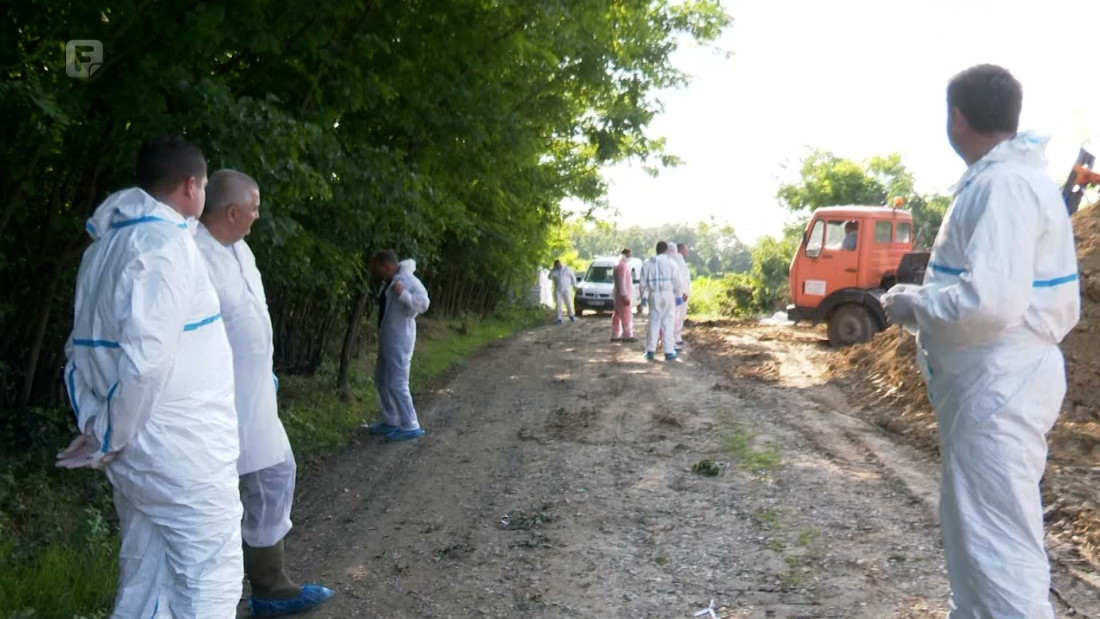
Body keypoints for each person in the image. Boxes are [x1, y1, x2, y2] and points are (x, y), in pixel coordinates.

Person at [883, 64, 1079, 618]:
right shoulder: (1009, 180)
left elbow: (990, 303)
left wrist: (913, 304)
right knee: (980, 544)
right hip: (994, 387)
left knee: (998, 551)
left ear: (956, 117)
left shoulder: (1005, 186)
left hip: (1000, 388)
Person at [59, 137, 243, 617]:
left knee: (147, 577)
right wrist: (111, 435)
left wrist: (98, 427)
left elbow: (77, 350)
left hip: (139, 449)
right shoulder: (165, 247)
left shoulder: (103, 248)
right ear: (190, 186)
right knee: (210, 576)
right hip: (182, 452)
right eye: (204, 186)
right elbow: (146, 363)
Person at [196, 170, 334, 617]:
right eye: (253, 208)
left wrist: (266, 371)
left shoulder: (242, 249)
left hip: (255, 391)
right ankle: (215, 596)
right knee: (214, 497)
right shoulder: (193, 255)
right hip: (212, 400)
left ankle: (269, 586)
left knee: (275, 472)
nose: (258, 215)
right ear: (232, 211)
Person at [363, 250, 431, 442]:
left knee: (398, 383)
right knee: (381, 379)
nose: (378, 274)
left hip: (400, 339)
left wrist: (403, 295)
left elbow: (424, 303)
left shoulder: (408, 281)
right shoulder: (392, 280)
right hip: (388, 339)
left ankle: (410, 424)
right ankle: (390, 419)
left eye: (379, 270)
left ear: (388, 266)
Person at [639, 241, 684, 361]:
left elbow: (643, 282)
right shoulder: (671, 263)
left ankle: (650, 351)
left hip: (654, 295)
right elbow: (678, 281)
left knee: (654, 322)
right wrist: (678, 295)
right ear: (666, 250)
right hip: (668, 295)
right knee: (668, 323)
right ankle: (668, 351)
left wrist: (643, 296)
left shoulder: (648, 263)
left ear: (656, 249)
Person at [611, 248, 635, 342]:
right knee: (626, 315)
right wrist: (625, 295)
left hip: (618, 295)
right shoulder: (622, 266)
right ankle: (627, 335)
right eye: (630, 254)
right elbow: (622, 282)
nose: (630, 256)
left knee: (617, 315)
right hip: (622, 295)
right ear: (626, 254)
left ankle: (615, 335)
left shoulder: (619, 265)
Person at [673, 243, 692, 347]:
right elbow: (681, 278)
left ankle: (677, 336)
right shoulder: (678, 260)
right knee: (679, 315)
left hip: (680, 292)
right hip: (681, 293)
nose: (687, 252)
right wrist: (683, 292)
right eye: (686, 249)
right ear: (681, 249)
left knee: (678, 315)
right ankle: (676, 337)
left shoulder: (678, 260)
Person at [550, 259, 577, 323]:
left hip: (566, 288)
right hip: (558, 289)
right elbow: (549, 278)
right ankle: (559, 318)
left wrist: (574, 285)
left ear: (560, 263)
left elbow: (572, 276)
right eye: (557, 265)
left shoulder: (566, 269)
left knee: (568, 302)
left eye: (559, 264)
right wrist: (551, 272)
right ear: (555, 266)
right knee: (559, 304)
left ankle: (571, 315)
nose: (558, 266)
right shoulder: (555, 271)